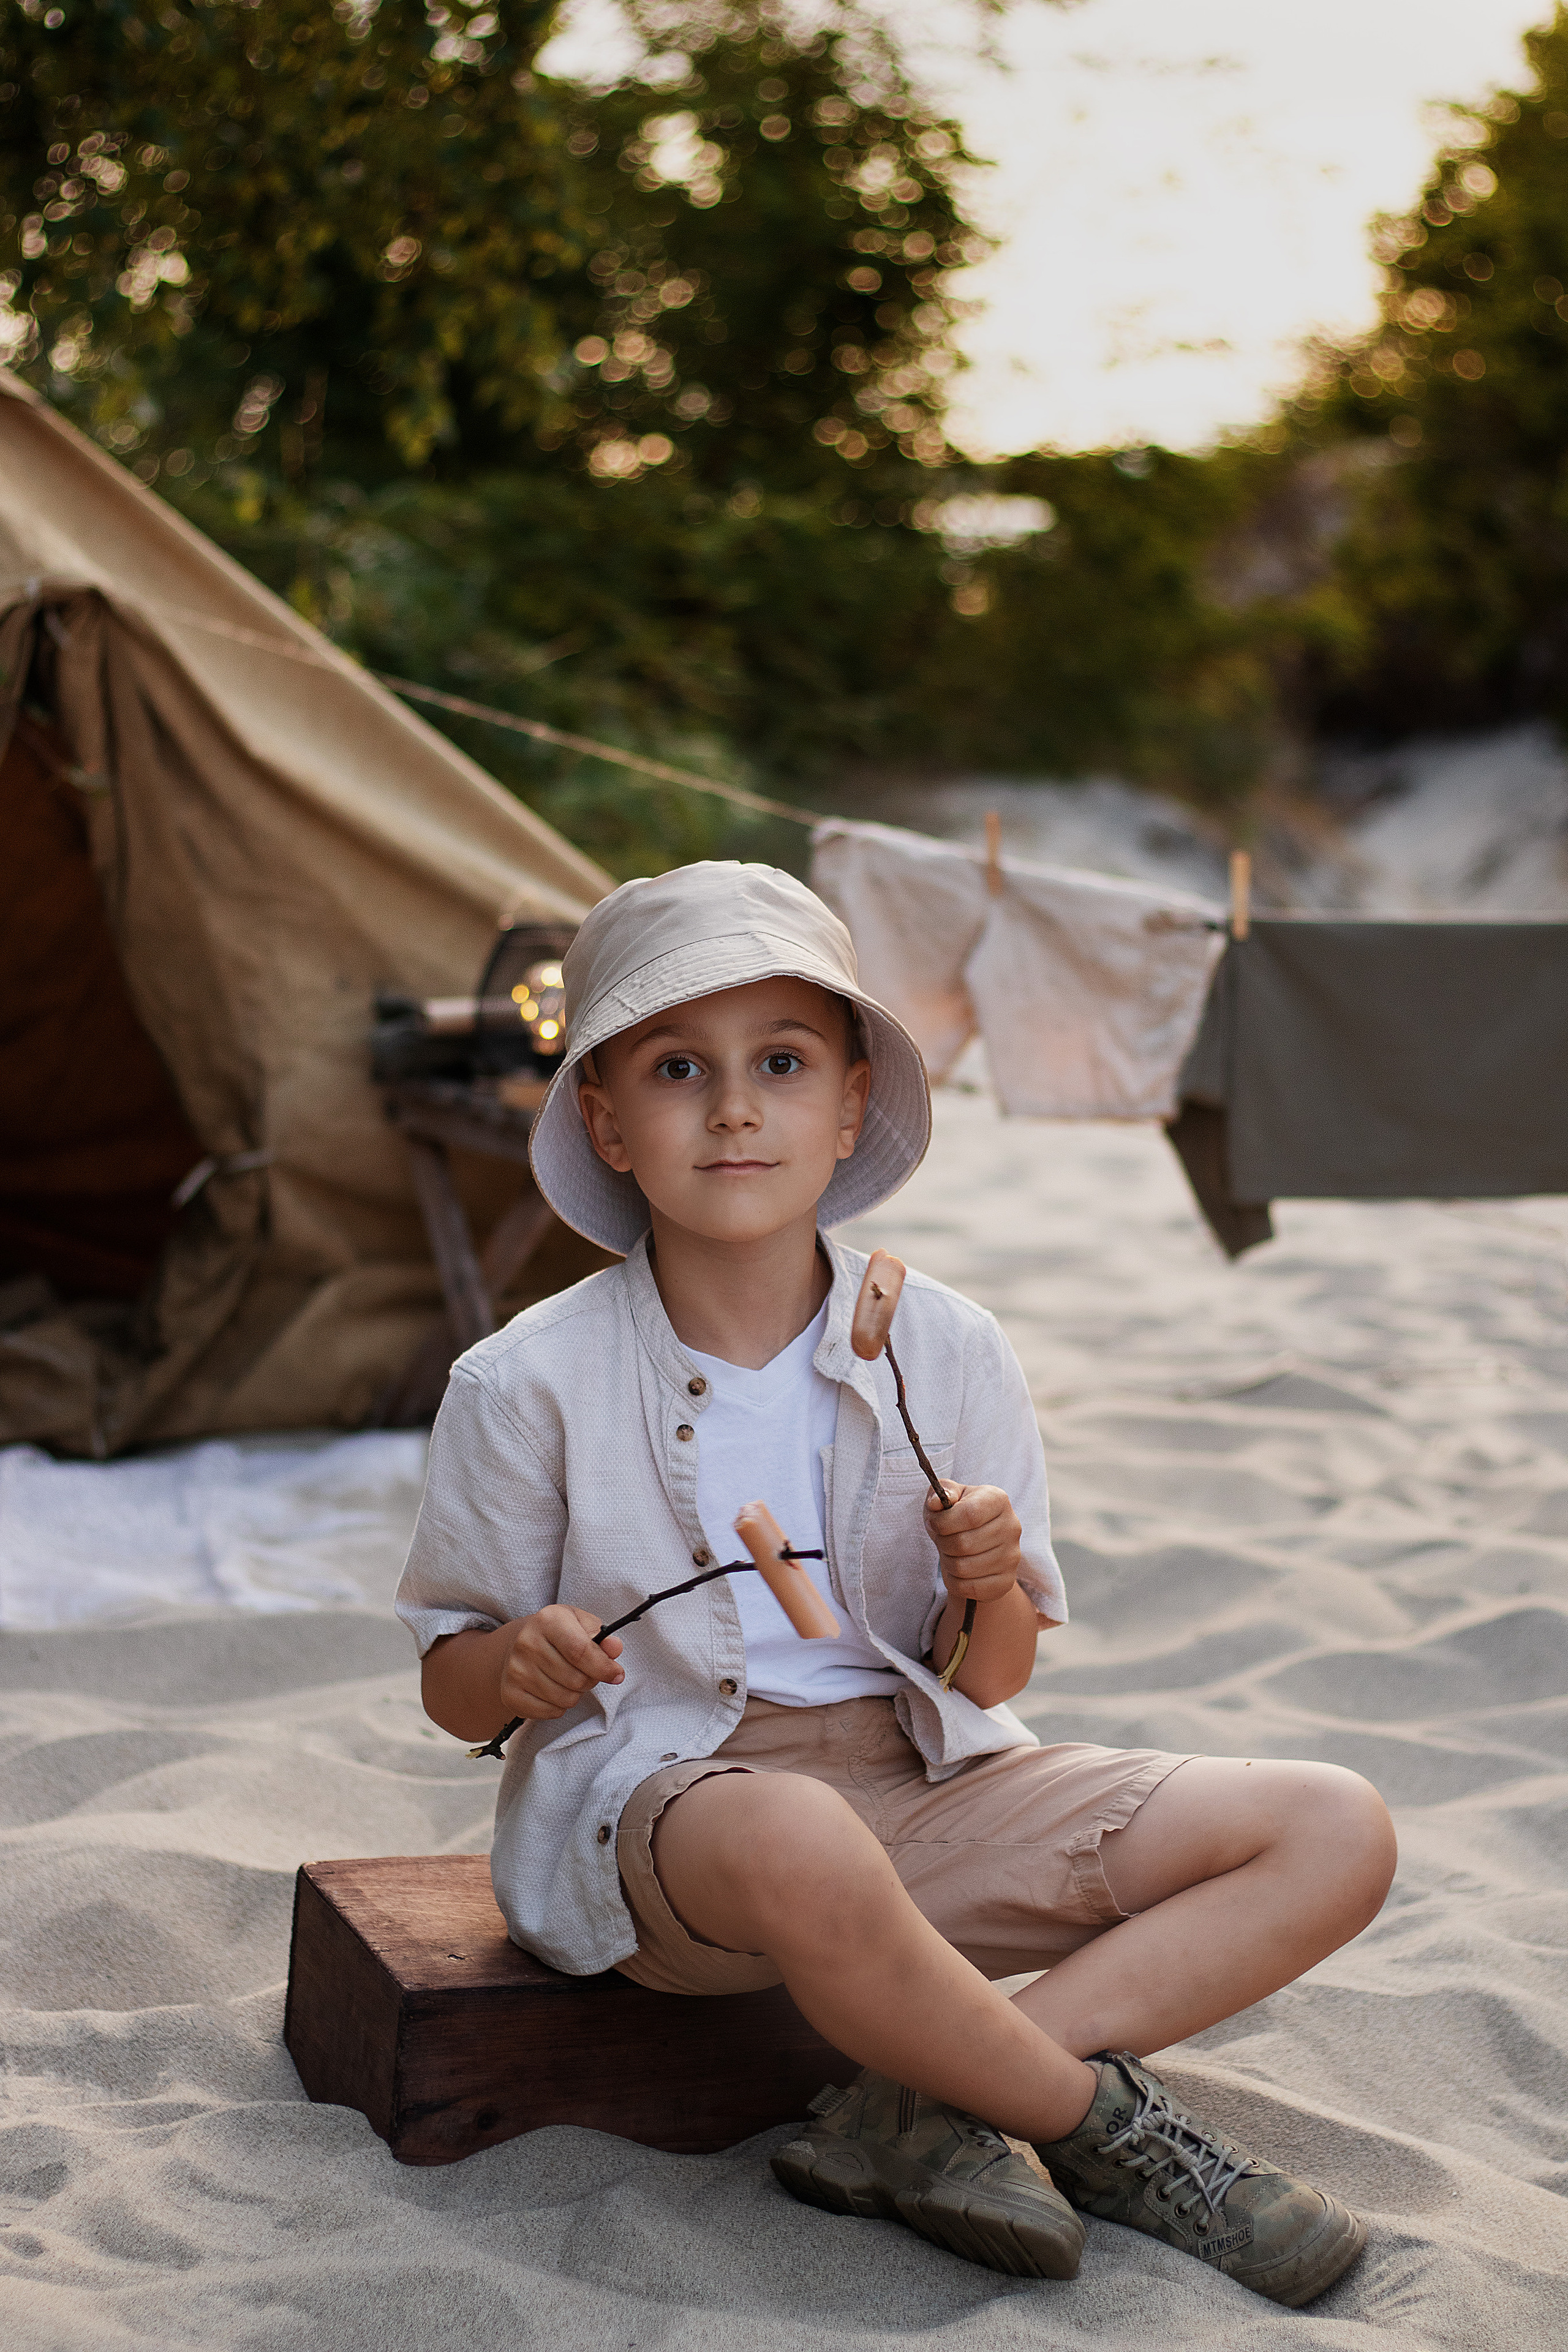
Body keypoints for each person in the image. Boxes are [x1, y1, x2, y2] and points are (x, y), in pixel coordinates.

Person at [398, 862, 1395, 2307]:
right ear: (606, 1120)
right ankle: (1110, 2134)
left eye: (782, 1064)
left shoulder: (945, 1347)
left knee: (1331, 1825)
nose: (734, 1108)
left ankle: (928, 2106)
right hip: (680, 1823)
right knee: (803, 1836)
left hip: (919, 1782)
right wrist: (519, 1666)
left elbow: (991, 1686)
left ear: (850, 1103)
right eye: (678, 1068)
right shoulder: (524, 1383)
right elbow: (448, 1684)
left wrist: (986, 1585)